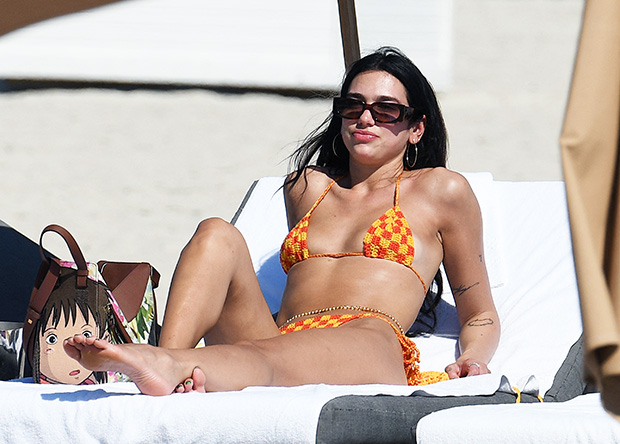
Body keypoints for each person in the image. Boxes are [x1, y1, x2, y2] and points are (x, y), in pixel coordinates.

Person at [64, 47, 500, 396]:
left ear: (416, 127)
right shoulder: (306, 187)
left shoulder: (441, 190)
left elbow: (480, 313)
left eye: (386, 110)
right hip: (281, 334)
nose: (366, 118)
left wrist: (473, 359)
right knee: (216, 233)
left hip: (368, 338)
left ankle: (166, 364)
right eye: (353, 106)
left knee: (268, 359)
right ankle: (166, 359)